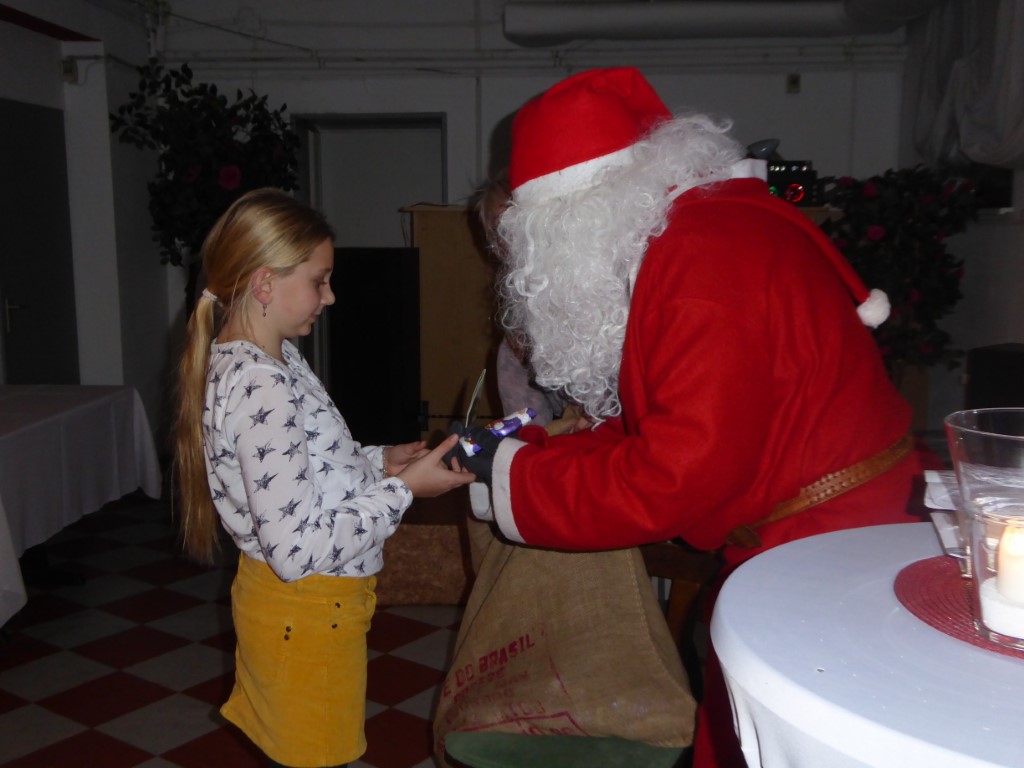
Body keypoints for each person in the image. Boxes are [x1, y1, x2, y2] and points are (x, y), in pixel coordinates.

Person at [455, 68, 938, 767]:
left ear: (573, 216)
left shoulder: (698, 258)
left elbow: (673, 474)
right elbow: (655, 425)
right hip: (819, 529)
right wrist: (518, 454)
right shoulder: (701, 232)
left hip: (826, 548)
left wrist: (511, 476)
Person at [174, 188, 475, 768]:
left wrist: (379, 461)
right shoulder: (262, 381)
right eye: (320, 281)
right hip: (306, 610)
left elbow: (302, 466)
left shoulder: (270, 358)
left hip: (300, 609)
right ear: (265, 284)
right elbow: (295, 550)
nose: (330, 296)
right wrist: (404, 491)